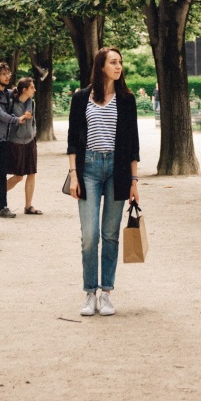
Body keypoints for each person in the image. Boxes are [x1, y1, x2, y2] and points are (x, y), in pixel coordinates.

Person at [67, 47, 140, 317]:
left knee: (110, 235)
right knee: (89, 235)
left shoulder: (127, 99)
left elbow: (133, 143)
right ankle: (90, 292)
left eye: (120, 62)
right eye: (113, 62)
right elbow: (72, 140)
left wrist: (134, 181)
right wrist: (74, 175)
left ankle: (106, 293)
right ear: (101, 67)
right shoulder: (81, 97)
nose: (118, 66)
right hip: (88, 168)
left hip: (117, 170)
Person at [0, 61, 32, 219]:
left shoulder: (9, 93)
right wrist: (17, 119)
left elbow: (27, 96)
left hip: (3, 141)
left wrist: (28, 110)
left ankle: (2, 207)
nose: (7, 76)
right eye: (4, 74)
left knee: (2, 175)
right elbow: (1, 115)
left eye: (8, 74)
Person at [5, 77, 41, 215]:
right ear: (24, 90)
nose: (34, 90)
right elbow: (8, 121)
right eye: (32, 87)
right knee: (19, 176)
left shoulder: (31, 102)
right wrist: (19, 119)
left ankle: (28, 206)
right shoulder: (12, 103)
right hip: (16, 142)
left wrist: (33, 132)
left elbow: (33, 120)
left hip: (30, 141)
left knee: (31, 173)